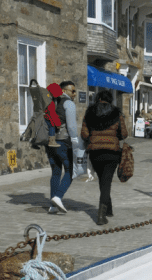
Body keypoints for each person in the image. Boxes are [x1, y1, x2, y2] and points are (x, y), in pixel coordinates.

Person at [81, 89, 128, 225]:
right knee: (106, 181)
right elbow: (124, 134)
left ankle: (109, 209)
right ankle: (101, 215)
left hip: (95, 152)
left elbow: (84, 133)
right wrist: (114, 136)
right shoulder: (116, 113)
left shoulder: (90, 112)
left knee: (103, 180)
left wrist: (92, 137)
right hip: (111, 152)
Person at [46, 80, 79, 213]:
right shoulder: (68, 104)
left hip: (49, 143)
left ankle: (53, 206)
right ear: (64, 91)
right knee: (70, 171)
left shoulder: (52, 103)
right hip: (63, 142)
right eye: (73, 91)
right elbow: (71, 126)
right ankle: (58, 197)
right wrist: (76, 140)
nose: (75, 94)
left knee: (56, 172)